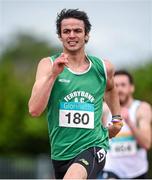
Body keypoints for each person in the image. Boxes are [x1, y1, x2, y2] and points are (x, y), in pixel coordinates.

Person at [28, 9, 123, 179]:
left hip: (93, 145)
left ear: (86, 35)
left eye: (77, 30)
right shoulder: (47, 65)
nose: (72, 35)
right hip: (61, 152)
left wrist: (116, 120)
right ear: (60, 36)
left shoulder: (103, 67)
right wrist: (53, 75)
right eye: (66, 31)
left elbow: (110, 88)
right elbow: (34, 110)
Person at [99, 70, 152, 179]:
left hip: (137, 171)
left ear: (131, 88)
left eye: (123, 85)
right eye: (116, 85)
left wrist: (129, 122)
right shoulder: (104, 109)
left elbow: (146, 144)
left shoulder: (141, 109)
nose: (119, 89)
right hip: (111, 170)